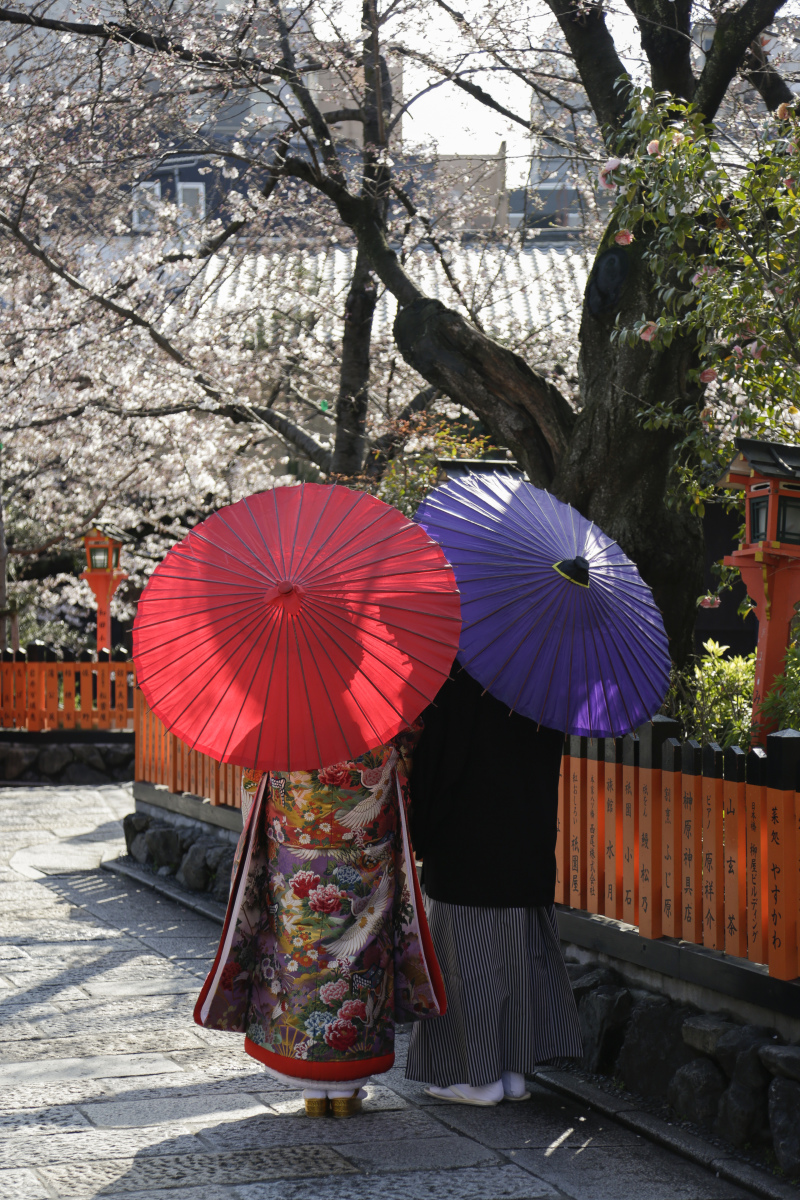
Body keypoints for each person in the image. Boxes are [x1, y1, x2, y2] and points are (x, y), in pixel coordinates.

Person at [194, 728, 446, 1117]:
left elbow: (254, 765)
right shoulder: (376, 701)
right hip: (366, 843)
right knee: (359, 957)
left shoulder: (281, 703)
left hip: (295, 841)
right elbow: (407, 749)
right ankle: (348, 1086)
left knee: (301, 951)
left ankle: (311, 1089)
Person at [405, 666, 582, 1106]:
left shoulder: (464, 672)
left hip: (469, 841)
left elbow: (438, 762)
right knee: (519, 959)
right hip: (528, 840)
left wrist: (419, 830)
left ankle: (476, 1079)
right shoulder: (547, 671)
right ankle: (513, 1073)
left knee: (471, 964)